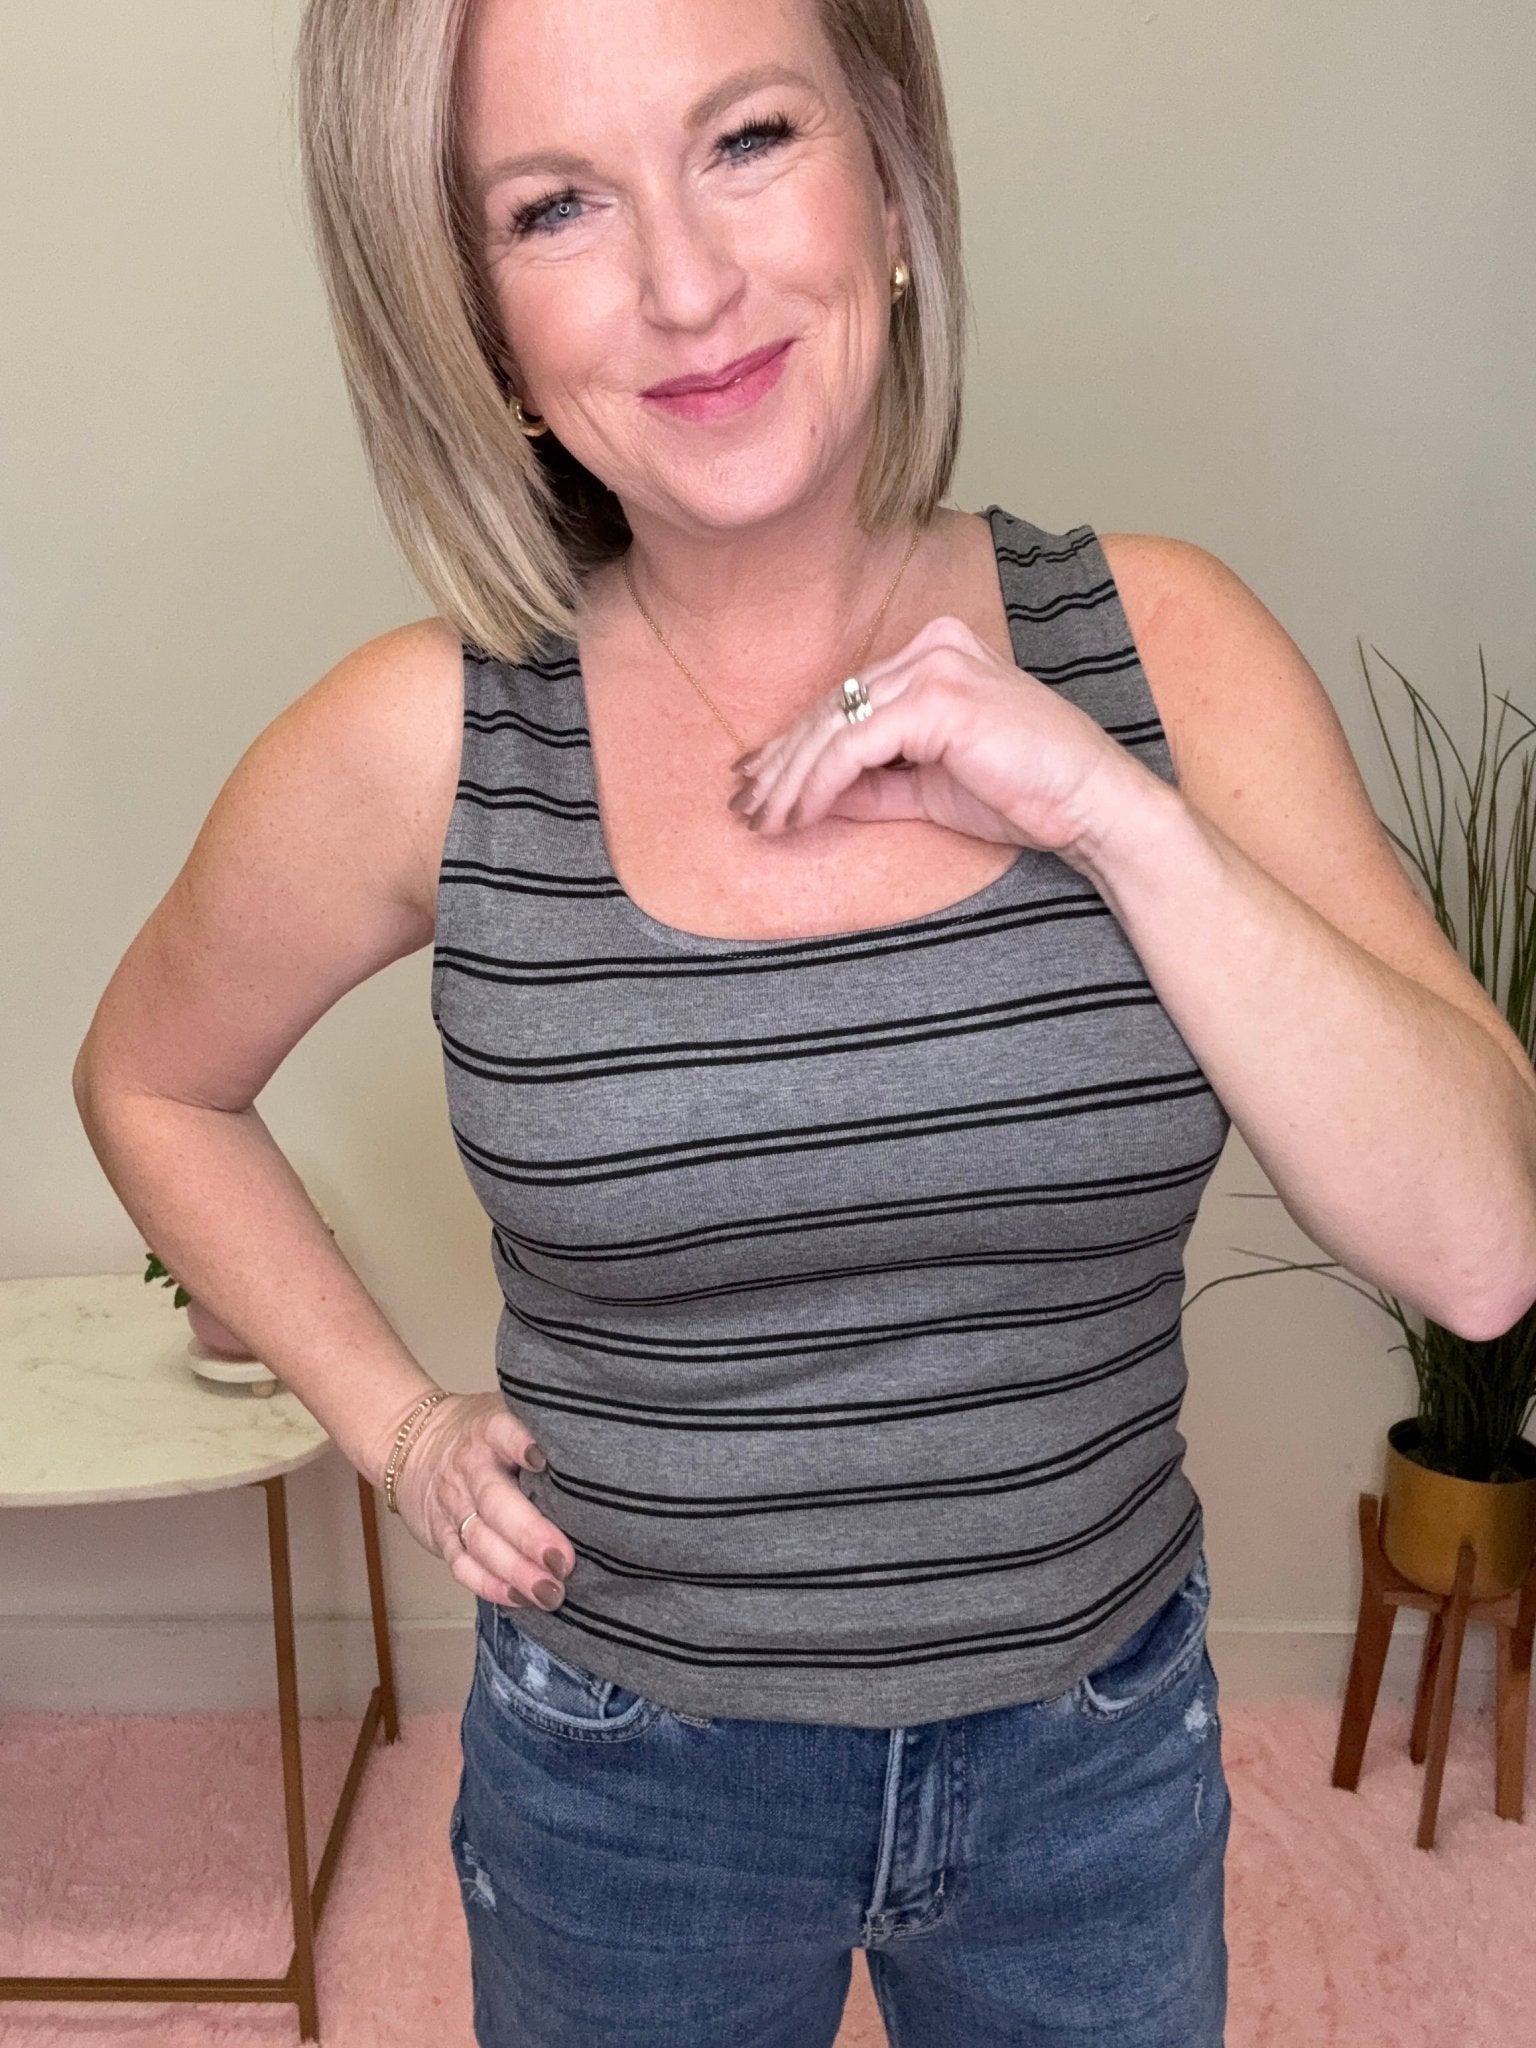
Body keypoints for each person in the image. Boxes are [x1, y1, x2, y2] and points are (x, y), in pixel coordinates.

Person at [72, 0, 1536, 2042]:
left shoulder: (1167, 649)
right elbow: (150, 1078)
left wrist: (1112, 817)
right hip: (628, 1781)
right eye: (557, 207)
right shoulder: (425, 742)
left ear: (895, 182)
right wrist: (395, 1424)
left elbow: (1481, 1246)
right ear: (477, 322)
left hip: (1093, 1755)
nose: (686, 285)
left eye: (748, 139)